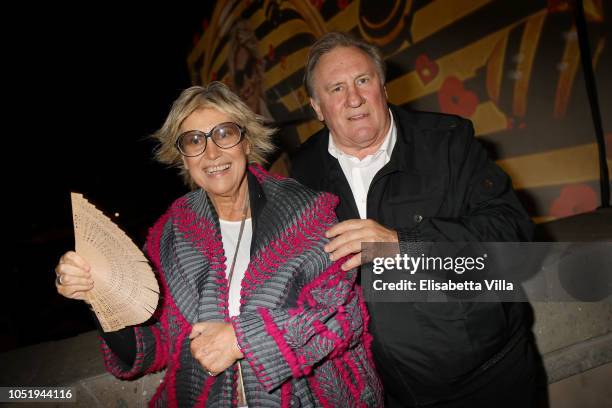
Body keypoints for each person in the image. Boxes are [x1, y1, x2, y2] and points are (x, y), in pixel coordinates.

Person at [55, 82, 383, 407]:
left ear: (246, 141)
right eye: (194, 140)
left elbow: (342, 317)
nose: (211, 153)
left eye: (223, 133)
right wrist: (101, 297)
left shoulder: (308, 213)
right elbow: (155, 343)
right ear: (183, 157)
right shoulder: (173, 232)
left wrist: (244, 340)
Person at [290, 32, 538, 407]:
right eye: (336, 88)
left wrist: (403, 243)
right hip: (385, 391)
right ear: (317, 107)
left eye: (363, 80)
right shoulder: (303, 170)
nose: (354, 98)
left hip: (488, 379)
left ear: (383, 87)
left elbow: (513, 238)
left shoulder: (449, 143)